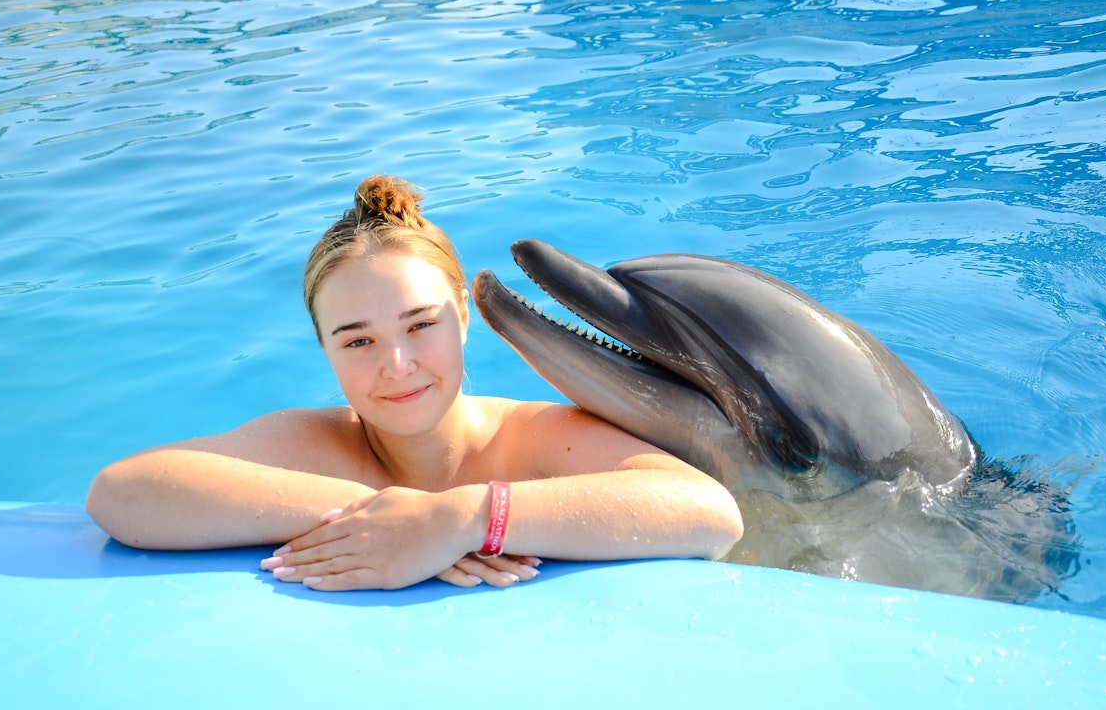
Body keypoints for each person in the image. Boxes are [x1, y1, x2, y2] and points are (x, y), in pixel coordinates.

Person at [86, 175, 742, 591]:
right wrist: (379, 519)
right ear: (325, 349)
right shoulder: (314, 444)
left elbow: (710, 515)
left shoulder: (538, 437)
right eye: (358, 341)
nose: (396, 365)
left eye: (419, 325)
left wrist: (461, 518)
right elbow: (121, 494)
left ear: (462, 317)